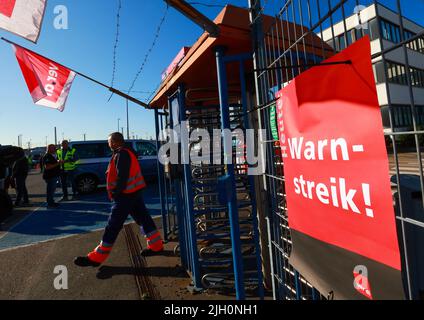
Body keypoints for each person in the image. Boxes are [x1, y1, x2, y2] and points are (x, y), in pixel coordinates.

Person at [74, 132, 164, 267]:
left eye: (109, 141)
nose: (108, 144)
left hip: (125, 195)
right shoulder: (126, 152)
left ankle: (96, 258)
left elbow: (122, 176)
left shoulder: (122, 154)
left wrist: (116, 193)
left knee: (113, 226)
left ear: (115, 141)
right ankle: (156, 246)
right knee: (144, 219)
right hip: (133, 193)